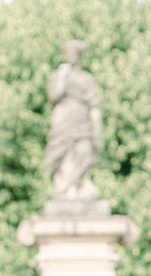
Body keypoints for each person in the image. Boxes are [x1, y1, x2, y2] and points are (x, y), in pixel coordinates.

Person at [46, 39, 103, 200]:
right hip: (62, 119)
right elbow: (53, 97)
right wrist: (63, 79)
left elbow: (94, 105)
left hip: (81, 119)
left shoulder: (87, 79)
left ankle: (82, 185)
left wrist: (97, 130)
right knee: (63, 154)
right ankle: (65, 189)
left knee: (84, 150)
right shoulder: (58, 76)